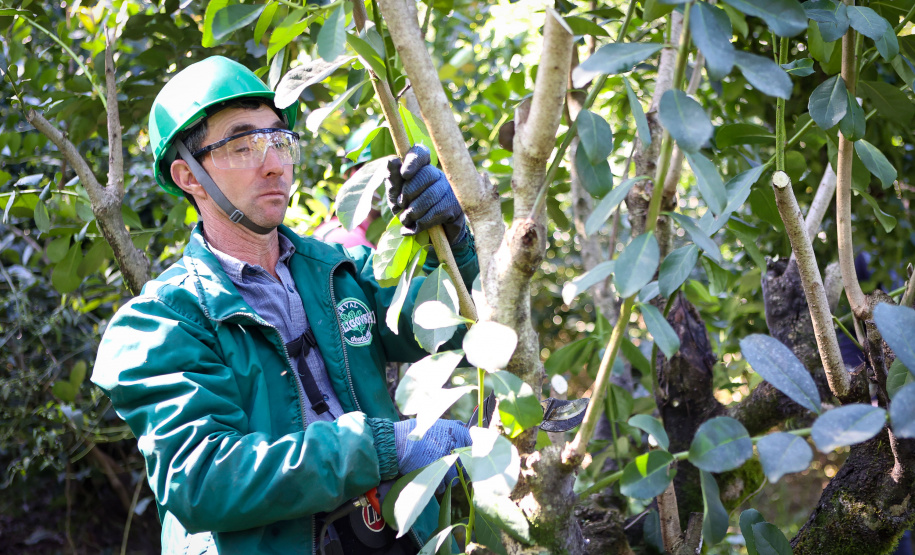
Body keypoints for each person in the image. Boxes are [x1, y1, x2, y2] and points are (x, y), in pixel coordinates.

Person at [91, 56, 477, 555]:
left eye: (279, 140)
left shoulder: (344, 272)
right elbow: (203, 478)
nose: (274, 163)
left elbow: (460, 327)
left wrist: (455, 242)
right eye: (242, 145)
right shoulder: (161, 323)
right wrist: (385, 447)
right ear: (189, 176)